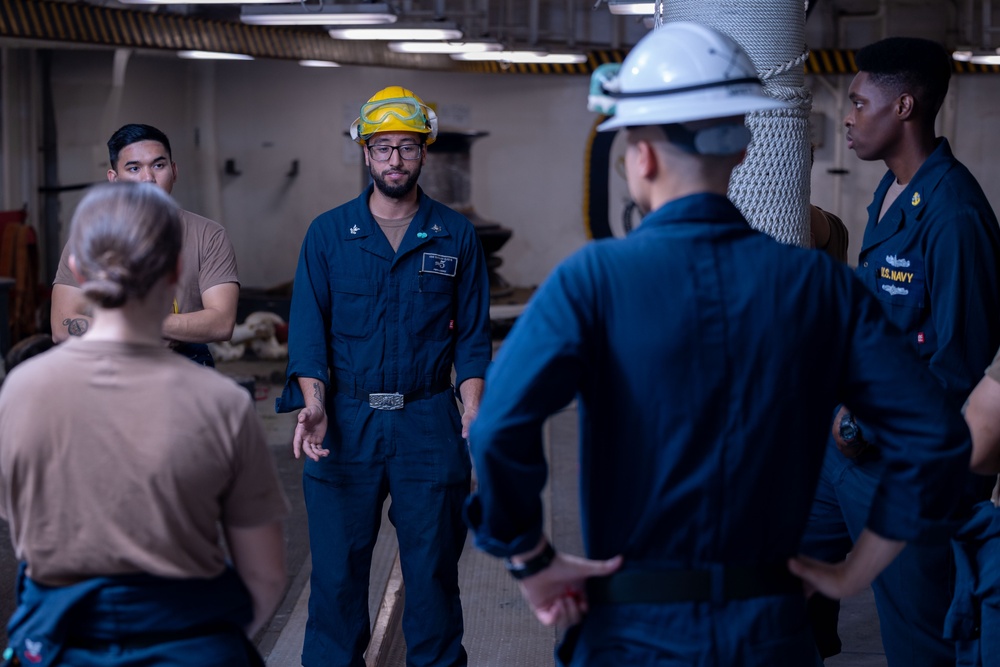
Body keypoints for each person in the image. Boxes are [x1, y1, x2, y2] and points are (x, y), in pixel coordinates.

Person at [463, 22, 973, 667]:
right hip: (772, 637)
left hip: (632, 637)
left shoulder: (592, 282)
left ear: (640, 157)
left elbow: (497, 430)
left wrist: (532, 559)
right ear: (738, 151)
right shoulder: (815, 284)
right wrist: (853, 573)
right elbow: (935, 437)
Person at [0, 182, 289, 665]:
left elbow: (18, 519)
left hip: (58, 645)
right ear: (177, 270)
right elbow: (264, 576)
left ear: (77, 269)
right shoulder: (221, 403)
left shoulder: (22, 391)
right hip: (189, 644)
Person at [799, 36, 1000, 666]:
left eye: (860, 102)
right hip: (850, 455)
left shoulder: (955, 215)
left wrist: (860, 419)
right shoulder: (891, 194)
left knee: (920, 638)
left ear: (904, 107)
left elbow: (961, 366)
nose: (849, 117)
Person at [276, 85, 492, 667]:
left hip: (428, 422)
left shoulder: (455, 235)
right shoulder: (327, 235)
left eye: (406, 147)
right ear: (365, 153)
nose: (394, 159)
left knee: (433, 579)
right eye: (382, 148)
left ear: (425, 152)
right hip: (345, 424)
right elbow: (307, 336)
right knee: (338, 579)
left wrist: (473, 408)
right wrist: (313, 404)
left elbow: (472, 339)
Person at [50, 123, 240, 366]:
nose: (148, 178)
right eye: (134, 168)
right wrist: (147, 329)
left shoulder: (208, 235)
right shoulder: (90, 238)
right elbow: (62, 325)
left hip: (184, 363)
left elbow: (221, 323)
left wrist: (132, 324)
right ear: (114, 178)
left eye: (158, 166)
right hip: (107, 362)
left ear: (174, 171)